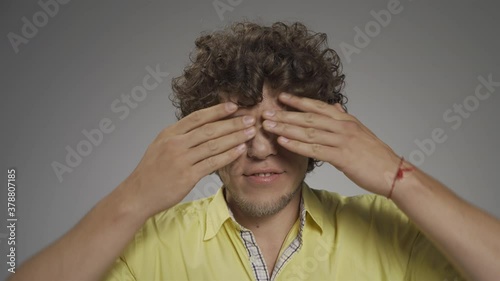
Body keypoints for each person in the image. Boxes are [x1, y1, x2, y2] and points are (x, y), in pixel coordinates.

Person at [11, 21, 500, 281]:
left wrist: (399, 176)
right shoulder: (148, 245)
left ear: (322, 136)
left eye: (281, 127)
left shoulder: (389, 232)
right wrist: (134, 197)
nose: (261, 149)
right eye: (237, 128)